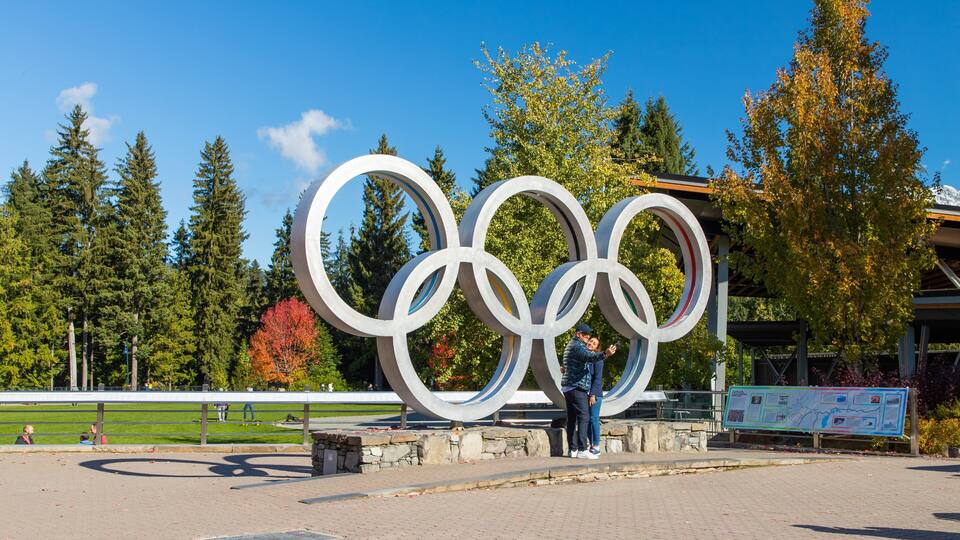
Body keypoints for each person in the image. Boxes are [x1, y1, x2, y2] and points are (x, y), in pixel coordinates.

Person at [561, 323, 615, 459]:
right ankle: (582, 449)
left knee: (573, 418)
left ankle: (572, 449)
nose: (588, 337)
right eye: (586, 335)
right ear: (578, 334)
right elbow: (590, 357)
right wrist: (605, 354)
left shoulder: (572, 346)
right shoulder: (578, 346)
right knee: (584, 417)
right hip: (576, 387)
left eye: (589, 335)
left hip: (569, 386)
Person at [585, 337, 605, 457]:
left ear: (597, 347)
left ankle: (596, 445)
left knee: (594, 419)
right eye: (591, 341)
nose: (591, 343)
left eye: (594, 343)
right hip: (584, 393)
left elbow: (597, 379)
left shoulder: (598, 360)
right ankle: (589, 444)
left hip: (595, 394)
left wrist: (592, 394)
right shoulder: (583, 358)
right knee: (586, 420)